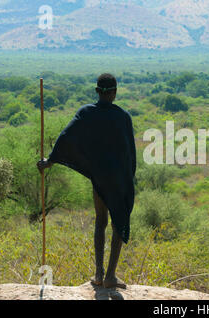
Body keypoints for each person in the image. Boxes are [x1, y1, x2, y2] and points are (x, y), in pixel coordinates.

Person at [37, 73, 136, 289]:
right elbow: (130, 155)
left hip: (99, 178)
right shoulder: (123, 117)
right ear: (115, 92)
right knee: (119, 223)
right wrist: (129, 183)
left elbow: (66, 137)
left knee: (101, 221)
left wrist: (50, 161)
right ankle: (110, 275)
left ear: (96, 91)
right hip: (118, 180)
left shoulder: (86, 112)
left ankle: (98, 274)